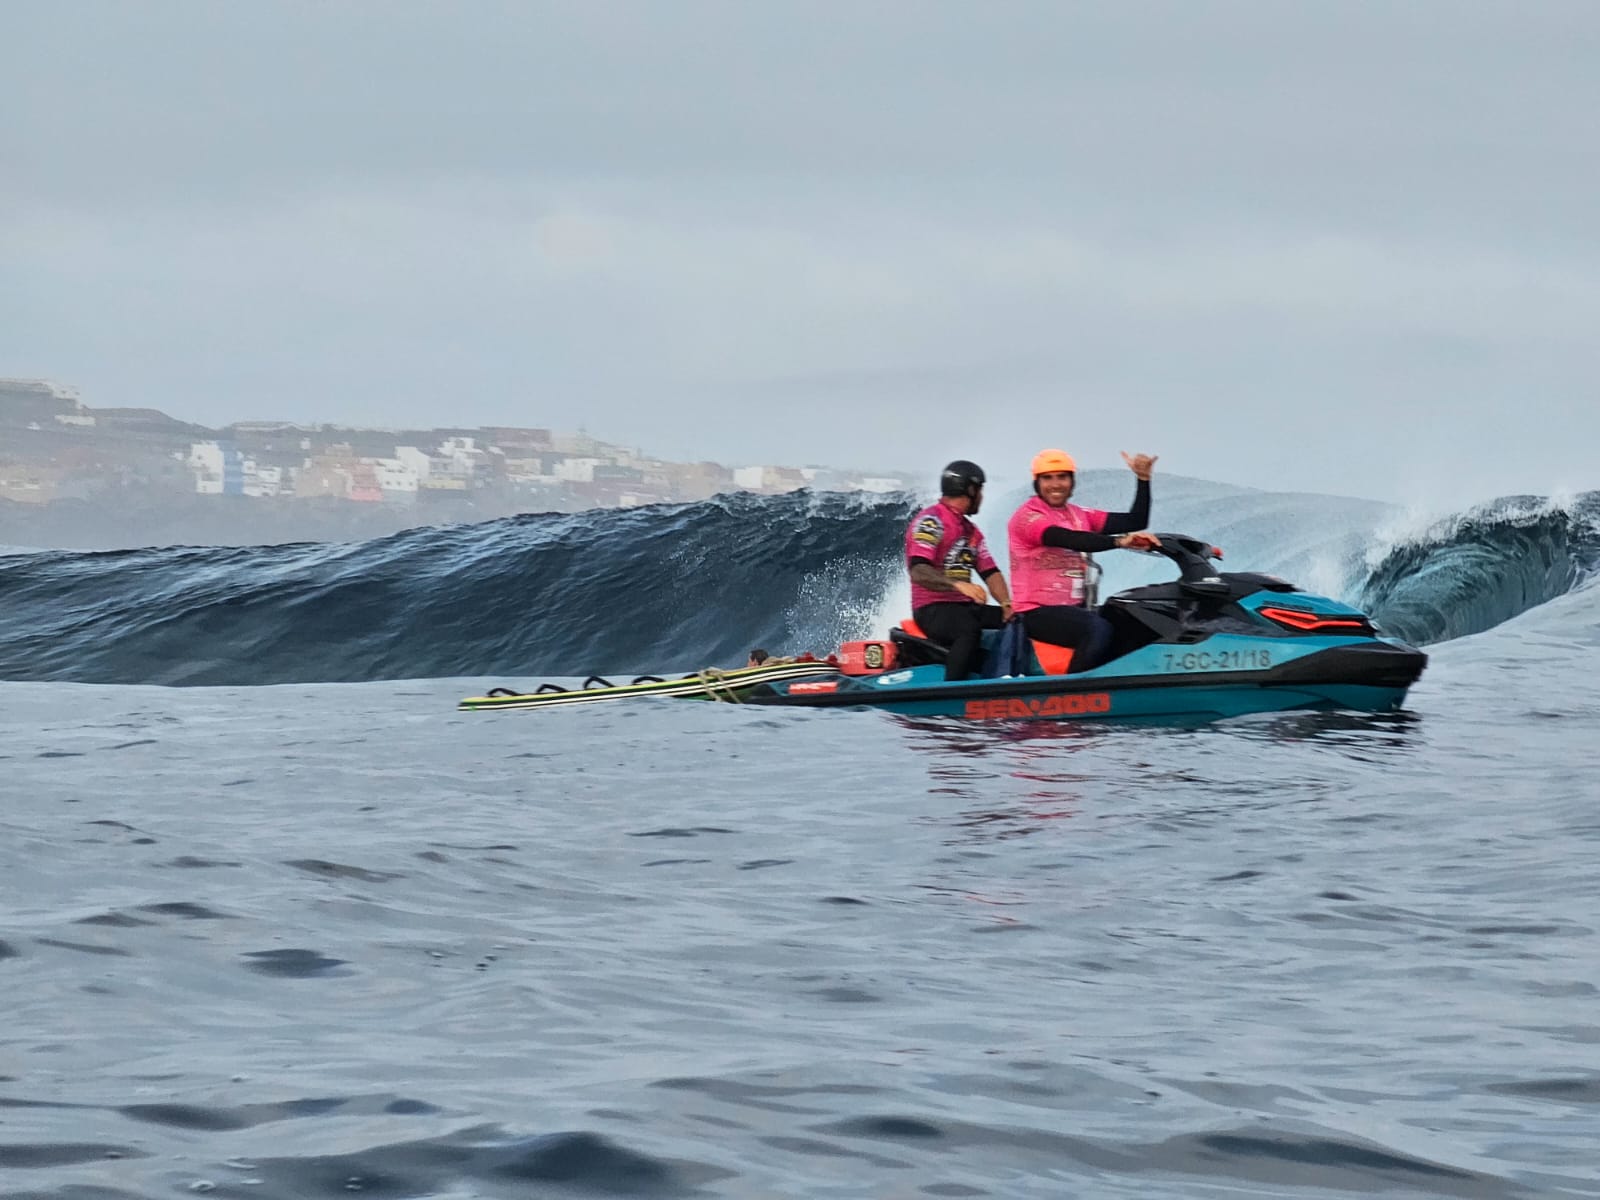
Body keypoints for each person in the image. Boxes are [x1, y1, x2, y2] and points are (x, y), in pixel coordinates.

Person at [1007, 449, 1163, 671]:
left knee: (1130, 621)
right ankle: (1072, 688)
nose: (1055, 484)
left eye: (1062, 477)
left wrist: (1143, 480)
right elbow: (1070, 539)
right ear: (1037, 483)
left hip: (1074, 608)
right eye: (1047, 478)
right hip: (1035, 611)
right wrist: (1119, 542)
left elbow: (1135, 521)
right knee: (1097, 629)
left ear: (1072, 481)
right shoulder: (1028, 517)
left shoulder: (1079, 514)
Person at [905, 459, 1013, 681]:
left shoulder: (971, 531)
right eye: (980, 490)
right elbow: (918, 570)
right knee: (968, 629)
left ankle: (1011, 677)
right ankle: (953, 689)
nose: (982, 497)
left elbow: (990, 572)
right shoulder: (931, 522)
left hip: (964, 607)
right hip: (932, 608)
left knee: (1017, 620)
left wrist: (1006, 604)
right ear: (971, 490)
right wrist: (957, 584)